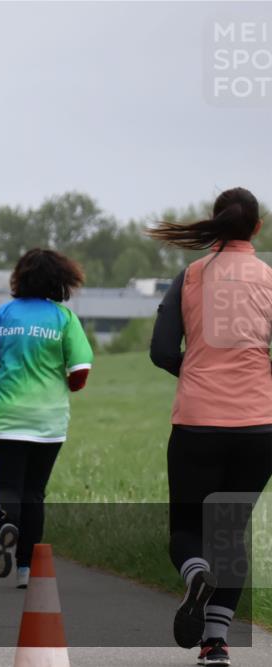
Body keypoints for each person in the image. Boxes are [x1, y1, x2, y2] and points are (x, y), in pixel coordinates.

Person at [147, 187, 272, 667]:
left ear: (215, 224)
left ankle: (195, 572)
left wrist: (197, 371)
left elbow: (161, 350)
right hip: (258, 427)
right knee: (231, 531)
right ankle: (215, 643)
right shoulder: (267, 277)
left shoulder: (191, 276)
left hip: (198, 422)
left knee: (186, 528)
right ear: (256, 228)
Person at [0, 248, 92, 589]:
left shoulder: (5, 313)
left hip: (7, 414)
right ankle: (25, 569)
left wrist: (8, 367)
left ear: (19, 277)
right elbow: (80, 372)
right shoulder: (64, 319)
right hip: (49, 420)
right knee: (35, 493)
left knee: (7, 486)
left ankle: (6, 525)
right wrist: (64, 383)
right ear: (61, 280)